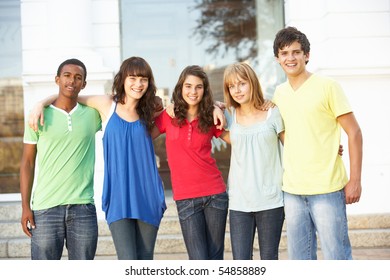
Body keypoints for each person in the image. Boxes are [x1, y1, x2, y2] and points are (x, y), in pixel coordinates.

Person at [28, 56, 167, 260]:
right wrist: (40, 103)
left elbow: (187, 110)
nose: (138, 84)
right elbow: (70, 95)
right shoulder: (107, 104)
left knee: (145, 260)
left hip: (148, 194)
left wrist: (216, 105)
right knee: (127, 260)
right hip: (118, 197)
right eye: (133, 78)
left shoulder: (150, 111)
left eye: (143, 79)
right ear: (123, 79)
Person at [272, 26, 363, 260]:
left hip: (327, 189)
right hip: (292, 190)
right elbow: (285, 134)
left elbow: (354, 133)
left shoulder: (328, 87)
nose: (290, 58)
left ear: (307, 55)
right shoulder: (279, 94)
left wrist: (355, 181)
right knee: (300, 260)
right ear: (277, 58)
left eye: (296, 52)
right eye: (284, 53)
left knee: (337, 257)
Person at [20, 58, 101, 260]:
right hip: (45, 209)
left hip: (83, 207)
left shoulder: (93, 115)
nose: (71, 81)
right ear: (57, 79)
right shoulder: (37, 116)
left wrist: (43, 99)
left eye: (78, 77)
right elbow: (27, 163)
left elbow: (118, 101)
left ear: (84, 84)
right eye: (66, 76)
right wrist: (25, 207)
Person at [152, 65, 229, 260]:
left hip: (215, 194)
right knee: (198, 260)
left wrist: (218, 106)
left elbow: (238, 138)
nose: (193, 92)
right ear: (180, 88)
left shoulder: (211, 117)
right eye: (188, 86)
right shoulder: (168, 116)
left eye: (198, 87)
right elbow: (142, 135)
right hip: (186, 198)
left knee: (215, 258)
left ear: (205, 90)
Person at [222, 62, 285, 260]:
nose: (237, 90)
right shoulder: (229, 116)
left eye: (241, 83)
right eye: (231, 86)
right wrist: (216, 106)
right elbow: (199, 111)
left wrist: (327, 149)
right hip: (240, 202)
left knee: (269, 258)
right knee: (241, 261)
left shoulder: (273, 112)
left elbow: (293, 147)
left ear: (252, 83)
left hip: (271, 200)